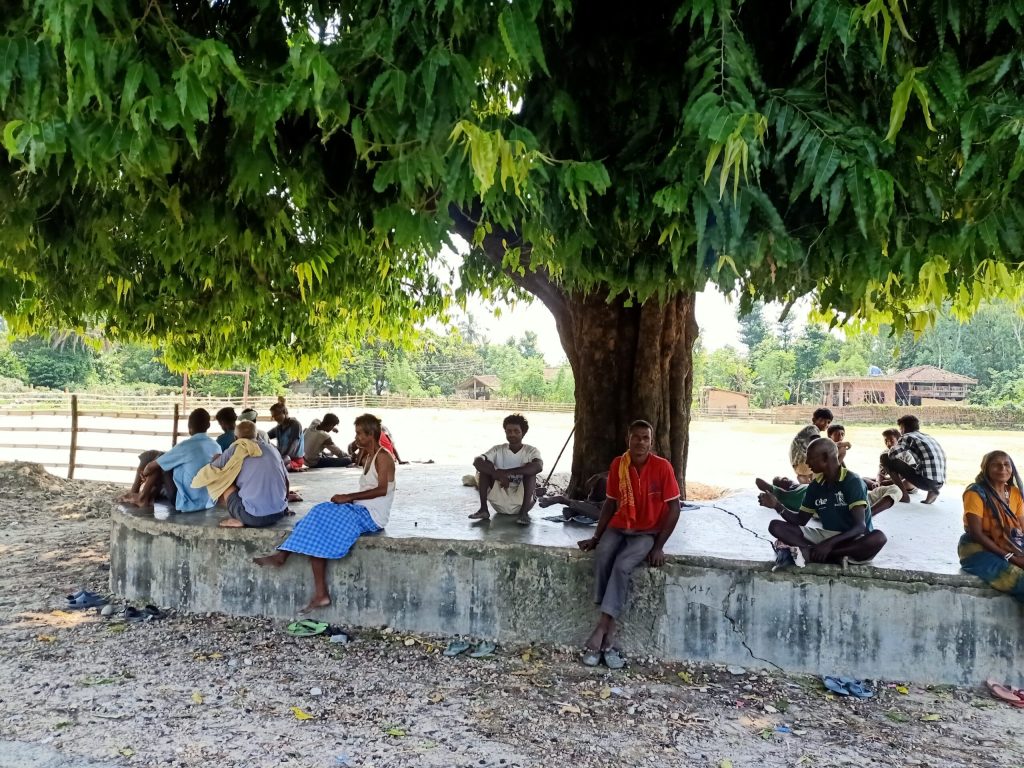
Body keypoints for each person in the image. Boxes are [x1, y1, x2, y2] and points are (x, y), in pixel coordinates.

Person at [253, 413, 396, 612]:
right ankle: (292, 565)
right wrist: (357, 453)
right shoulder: (368, 454)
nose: (356, 437)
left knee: (323, 522)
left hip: (373, 515)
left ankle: (288, 561)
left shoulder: (383, 456)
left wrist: (348, 497)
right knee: (320, 512)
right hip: (360, 508)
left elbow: (382, 490)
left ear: (371, 435)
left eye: (359, 434)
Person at [577, 420, 681, 668]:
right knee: (603, 553)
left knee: (622, 565)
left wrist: (659, 546)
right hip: (620, 525)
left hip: (647, 532)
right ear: (628, 440)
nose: (640, 442)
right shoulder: (618, 465)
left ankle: (603, 628)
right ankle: (609, 629)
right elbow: (610, 504)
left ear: (651, 442)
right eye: (636, 437)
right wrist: (596, 537)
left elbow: (675, 508)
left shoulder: (662, 467)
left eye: (646, 438)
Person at [759, 437, 887, 569]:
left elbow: (860, 527)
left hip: (854, 537)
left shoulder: (852, 481)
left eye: (810, 458)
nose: (807, 462)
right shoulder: (815, 486)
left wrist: (828, 544)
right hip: (827, 536)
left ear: (825, 457)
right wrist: (777, 505)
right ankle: (829, 555)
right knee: (775, 526)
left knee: (878, 538)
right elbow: (800, 520)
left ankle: (814, 553)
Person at [118, 409, 219, 512]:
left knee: (159, 458)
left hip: (187, 502)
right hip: (208, 501)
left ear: (189, 427)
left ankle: (142, 497)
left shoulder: (186, 446)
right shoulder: (216, 446)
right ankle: (144, 496)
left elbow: (150, 467)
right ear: (208, 425)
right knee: (163, 460)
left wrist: (144, 474)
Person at [195, 421, 290, 529]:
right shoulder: (272, 449)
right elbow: (286, 481)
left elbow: (212, 471)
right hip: (279, 513)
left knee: (225, 483)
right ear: (257, 436)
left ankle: (239, 518)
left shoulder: (236, 448)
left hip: (252, 518)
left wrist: (216, 459)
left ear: (235, 438)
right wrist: (285, 506)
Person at [958, 451, 1024, 603]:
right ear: (985, 468)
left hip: (1012, 546)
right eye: (996, 465)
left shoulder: (1015, 493)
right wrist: (1012, 558)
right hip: (978, 549)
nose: (1002, 469)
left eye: (1006, 464)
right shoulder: (975, 492)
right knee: (1020, 580)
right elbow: (976, 534)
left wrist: (1018, 554)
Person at [468, 413, 543, 525]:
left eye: (516, 431)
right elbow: (477, 461)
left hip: (522, 503)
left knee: (531, 472)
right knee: (484, 469)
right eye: (509, 431)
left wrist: (506, 473)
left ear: (523, 433)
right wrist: (496, 474)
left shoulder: (531, 451)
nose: (512, 434)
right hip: (500, 500)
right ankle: (483, 509)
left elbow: (538, 466)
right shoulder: (497, 449)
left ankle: (524, 514)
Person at [878, 415, 946, 504]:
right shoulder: (927, 437)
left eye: (900, 429)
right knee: (925, 466)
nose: (900, 431)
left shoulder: (907, 436)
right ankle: (932, 493)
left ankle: (903, 495)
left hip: (926, 482)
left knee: (885, 457)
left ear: (903, 428)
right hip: (939, 483)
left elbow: (892, 455)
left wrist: (894, 450)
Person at [537, 472, 608, 520]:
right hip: (600, 506)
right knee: (602, 514)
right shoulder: (607, 475)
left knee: (602, 515)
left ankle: (563, 501)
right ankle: (574, 507)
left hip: (603, 508)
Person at [790, 408, 833, 484]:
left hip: (797, 465)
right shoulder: (812, 428)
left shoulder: (810, 430)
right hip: (802, 464)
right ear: (814, 420)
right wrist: (838, 444)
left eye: (828, 422)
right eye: (822, 420)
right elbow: (819, 444)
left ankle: (805, 478)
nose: (826, 424)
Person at [878, 428, 917, 493]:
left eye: (891, 440)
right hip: (892, 480)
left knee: (909, 482)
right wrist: (878, 481)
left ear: (899, 441)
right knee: (864, 479)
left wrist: (888, 482)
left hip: (905, 482)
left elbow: (911, 475)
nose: (888, 443)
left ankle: (885, 486)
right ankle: (884, 486)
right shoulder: (884, 454)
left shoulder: (906, 453)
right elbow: (880, 473)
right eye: (886, 441)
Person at [268, 402, 303, 468]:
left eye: (276, 415)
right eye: (273, 416)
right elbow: (265, 436)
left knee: (278, 466)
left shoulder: (295, 424)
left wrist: (280, 456)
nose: (274, 418)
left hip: (294, 460)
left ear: (284, 412)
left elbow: (293, 444)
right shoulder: (279, 427)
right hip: (282, 458)